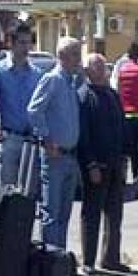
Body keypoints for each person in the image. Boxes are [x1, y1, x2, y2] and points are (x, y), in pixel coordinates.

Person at [27, 37, 84, 250]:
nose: (79, 59)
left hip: (70, 155)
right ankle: (50, 263)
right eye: (75, 54)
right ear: (62, 57)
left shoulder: (71, 81)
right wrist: (46, 139)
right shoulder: (52, 79)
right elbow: (34, 110)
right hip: (55, 155)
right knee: (51, 211)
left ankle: (61, 262)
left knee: (64, 212)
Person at [76, 54, 127, 274]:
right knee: (92, 213)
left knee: (115, 214)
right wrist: (91, 165)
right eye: (98, 65)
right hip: (96, 165)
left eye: (105, 65)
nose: (103, 69)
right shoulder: (84, 96)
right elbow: (84, 135)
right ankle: (88, 261)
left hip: (116, 163)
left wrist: (125, 159)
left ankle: (111, 258)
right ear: (87, 71)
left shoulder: (112, 95)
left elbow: (121, 128)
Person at [0, 22, 43, 191]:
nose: (26, 47)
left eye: (29, 42)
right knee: (7, 193)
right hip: (9, 138)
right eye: (22, 42)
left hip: (31, 141)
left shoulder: (37, 74)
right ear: (11, 43)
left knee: (29, 194)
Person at [113, 42, 138, 199]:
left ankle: (121, 182)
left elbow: (117, 90)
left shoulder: (121, 71)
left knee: (126, 152)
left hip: (125, 116)